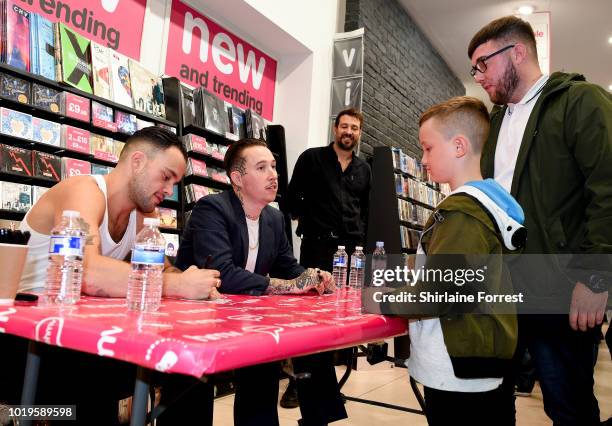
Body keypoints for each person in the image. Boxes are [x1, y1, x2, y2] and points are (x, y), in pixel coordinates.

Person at [2, 127, 220, 425]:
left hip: (83, 339)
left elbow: (162, 268)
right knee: (92, 397)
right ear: (138, 161)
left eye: (176, 183)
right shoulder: (83, 190)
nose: (170, 190)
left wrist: (193, 282)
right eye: (166, 176)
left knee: (191, 368)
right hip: (29, 345)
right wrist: (178, 284)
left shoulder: (144, 215)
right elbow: (86, 272)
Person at [468, 16, 612, 425]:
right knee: (494, 402)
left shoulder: (580, 101)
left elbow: (608, 189)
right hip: (503, 290)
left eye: (483, 64)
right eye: (473, 68)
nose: (478, 76)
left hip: (562, 291)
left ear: (518, 52)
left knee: (569, 406)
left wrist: (596, 277)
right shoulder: (496, 122)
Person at [370, 96, 520, 425]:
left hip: (457, 369)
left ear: (459, 146)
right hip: (477, 361)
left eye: (428, 148)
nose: (423, 158)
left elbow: (440, 289)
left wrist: (382, 300)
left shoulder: (462, 212)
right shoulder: (489, 204)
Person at [176, 138, 341, 426]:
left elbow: (287, 265)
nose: (273, 175)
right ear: (237, 179)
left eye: (274, 167)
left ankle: (320, 419)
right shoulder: (211, 209)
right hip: (200, 317)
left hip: (246, 316)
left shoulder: (274, 219)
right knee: (191, 393)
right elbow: (222, 274)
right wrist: (288, 286)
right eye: (262, 167)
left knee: (297, 341)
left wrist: (312, 276)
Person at [284, 107, 371, 412]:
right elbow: (292, 198)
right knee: (309, 317)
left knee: (339, 316)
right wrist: (309, 219)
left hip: (351, 254)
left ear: (359, 133)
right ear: (335, 129)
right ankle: (299, 383)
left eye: (355, 128)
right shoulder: (312, 158)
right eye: (345, 126)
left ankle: (323, 384)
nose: (349, 132)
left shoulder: (365, 170)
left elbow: (367, 211)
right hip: (317, 249)